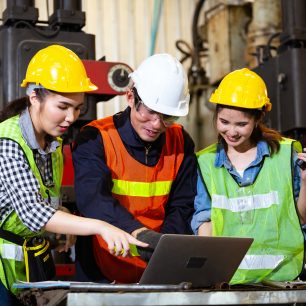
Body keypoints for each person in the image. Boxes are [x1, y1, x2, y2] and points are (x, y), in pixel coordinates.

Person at [0, 44, 147, 304]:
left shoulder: (52, 143)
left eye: (78, 108)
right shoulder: (7, 141)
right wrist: (100, 226)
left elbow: (45, 200)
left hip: (31, 265)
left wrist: (65, 216)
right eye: (63, 106)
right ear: (35, 96)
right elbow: (34, 213)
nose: (71, 117)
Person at [72, 53, 197, 283]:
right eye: (149, 111)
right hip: (102, 272)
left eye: (167, 116)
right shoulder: (96, 138)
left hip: (159, 266)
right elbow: (93, 199)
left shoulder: (181, 142)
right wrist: (139, 233)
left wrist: (164, 246)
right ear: (130, 97)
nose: (157, 125)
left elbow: (183, 205)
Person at [192, 68, 306, 284]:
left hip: (282, 281)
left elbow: (300, 218)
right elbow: (203, 221)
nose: (232, 132)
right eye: (224, 122)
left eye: (241, 124)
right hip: (226, 282)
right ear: (216, 115)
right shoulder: (204, 163)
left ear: (258, 118)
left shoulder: (284, 154)